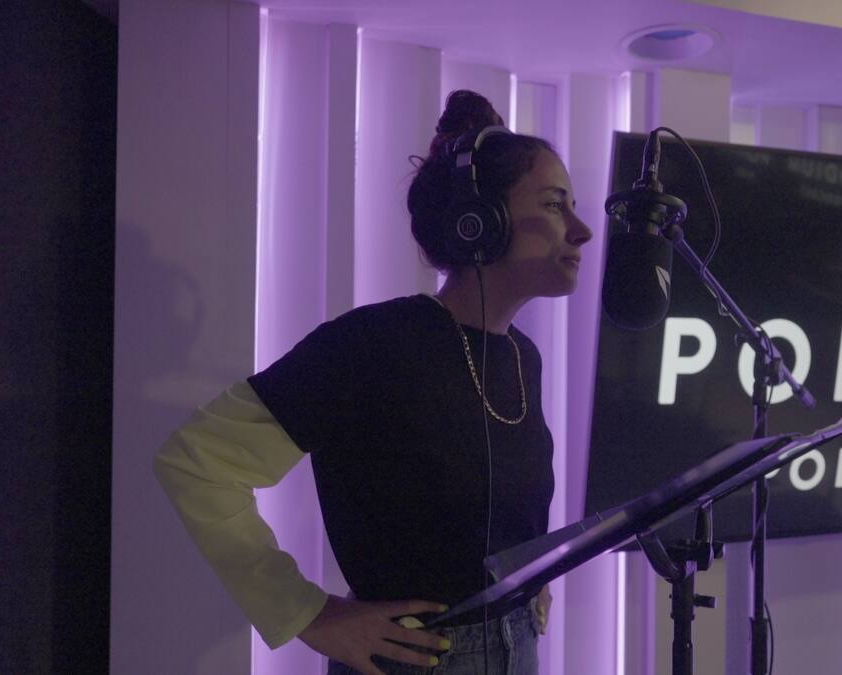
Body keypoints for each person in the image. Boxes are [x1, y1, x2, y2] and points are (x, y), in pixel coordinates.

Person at [154, 89, 593, 675]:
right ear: (480, 222)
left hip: (519, 648)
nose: (582, 230)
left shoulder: (523, 357)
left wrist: (526, 583)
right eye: (556, 205)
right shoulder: (375, 344)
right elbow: (199, 460)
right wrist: (308, 614)